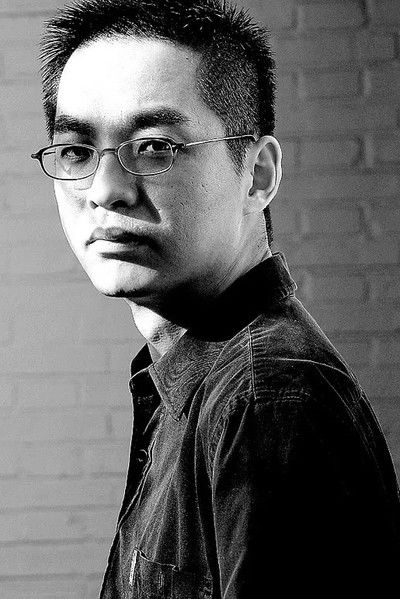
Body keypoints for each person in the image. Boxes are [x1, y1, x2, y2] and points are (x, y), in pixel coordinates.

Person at [31, 0, 400, 596]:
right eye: (76, 151)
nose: (105, 190)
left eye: (155, 146)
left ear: (257, 174)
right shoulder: (189, 383)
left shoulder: (265, 398)